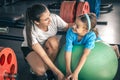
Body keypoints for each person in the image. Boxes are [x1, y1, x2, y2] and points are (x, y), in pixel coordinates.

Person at [65, 13, 120, 80]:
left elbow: (85, 54)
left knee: (103, 51)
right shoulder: (70, 32)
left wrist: (76, 72)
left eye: (77, 26)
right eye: (74, 23)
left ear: (85, 30)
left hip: (96, 41)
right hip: (81, 43)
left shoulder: (91, 36)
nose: (73, 26)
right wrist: (68, 71)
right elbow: (68, 50)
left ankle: (114, 47)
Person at [21, 3, 69, 80]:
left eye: (49, 15)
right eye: (46, 19)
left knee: (54, 42)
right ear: (36, 22)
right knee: (40, 71)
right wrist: (58, 72)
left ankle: (49, 71)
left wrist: (85, 27)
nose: (50, 19)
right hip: (32, 49)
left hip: (47, 45)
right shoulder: (29, 30)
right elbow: (43, 55)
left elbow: (68, 26)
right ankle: (35, 66)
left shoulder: (54, 18)